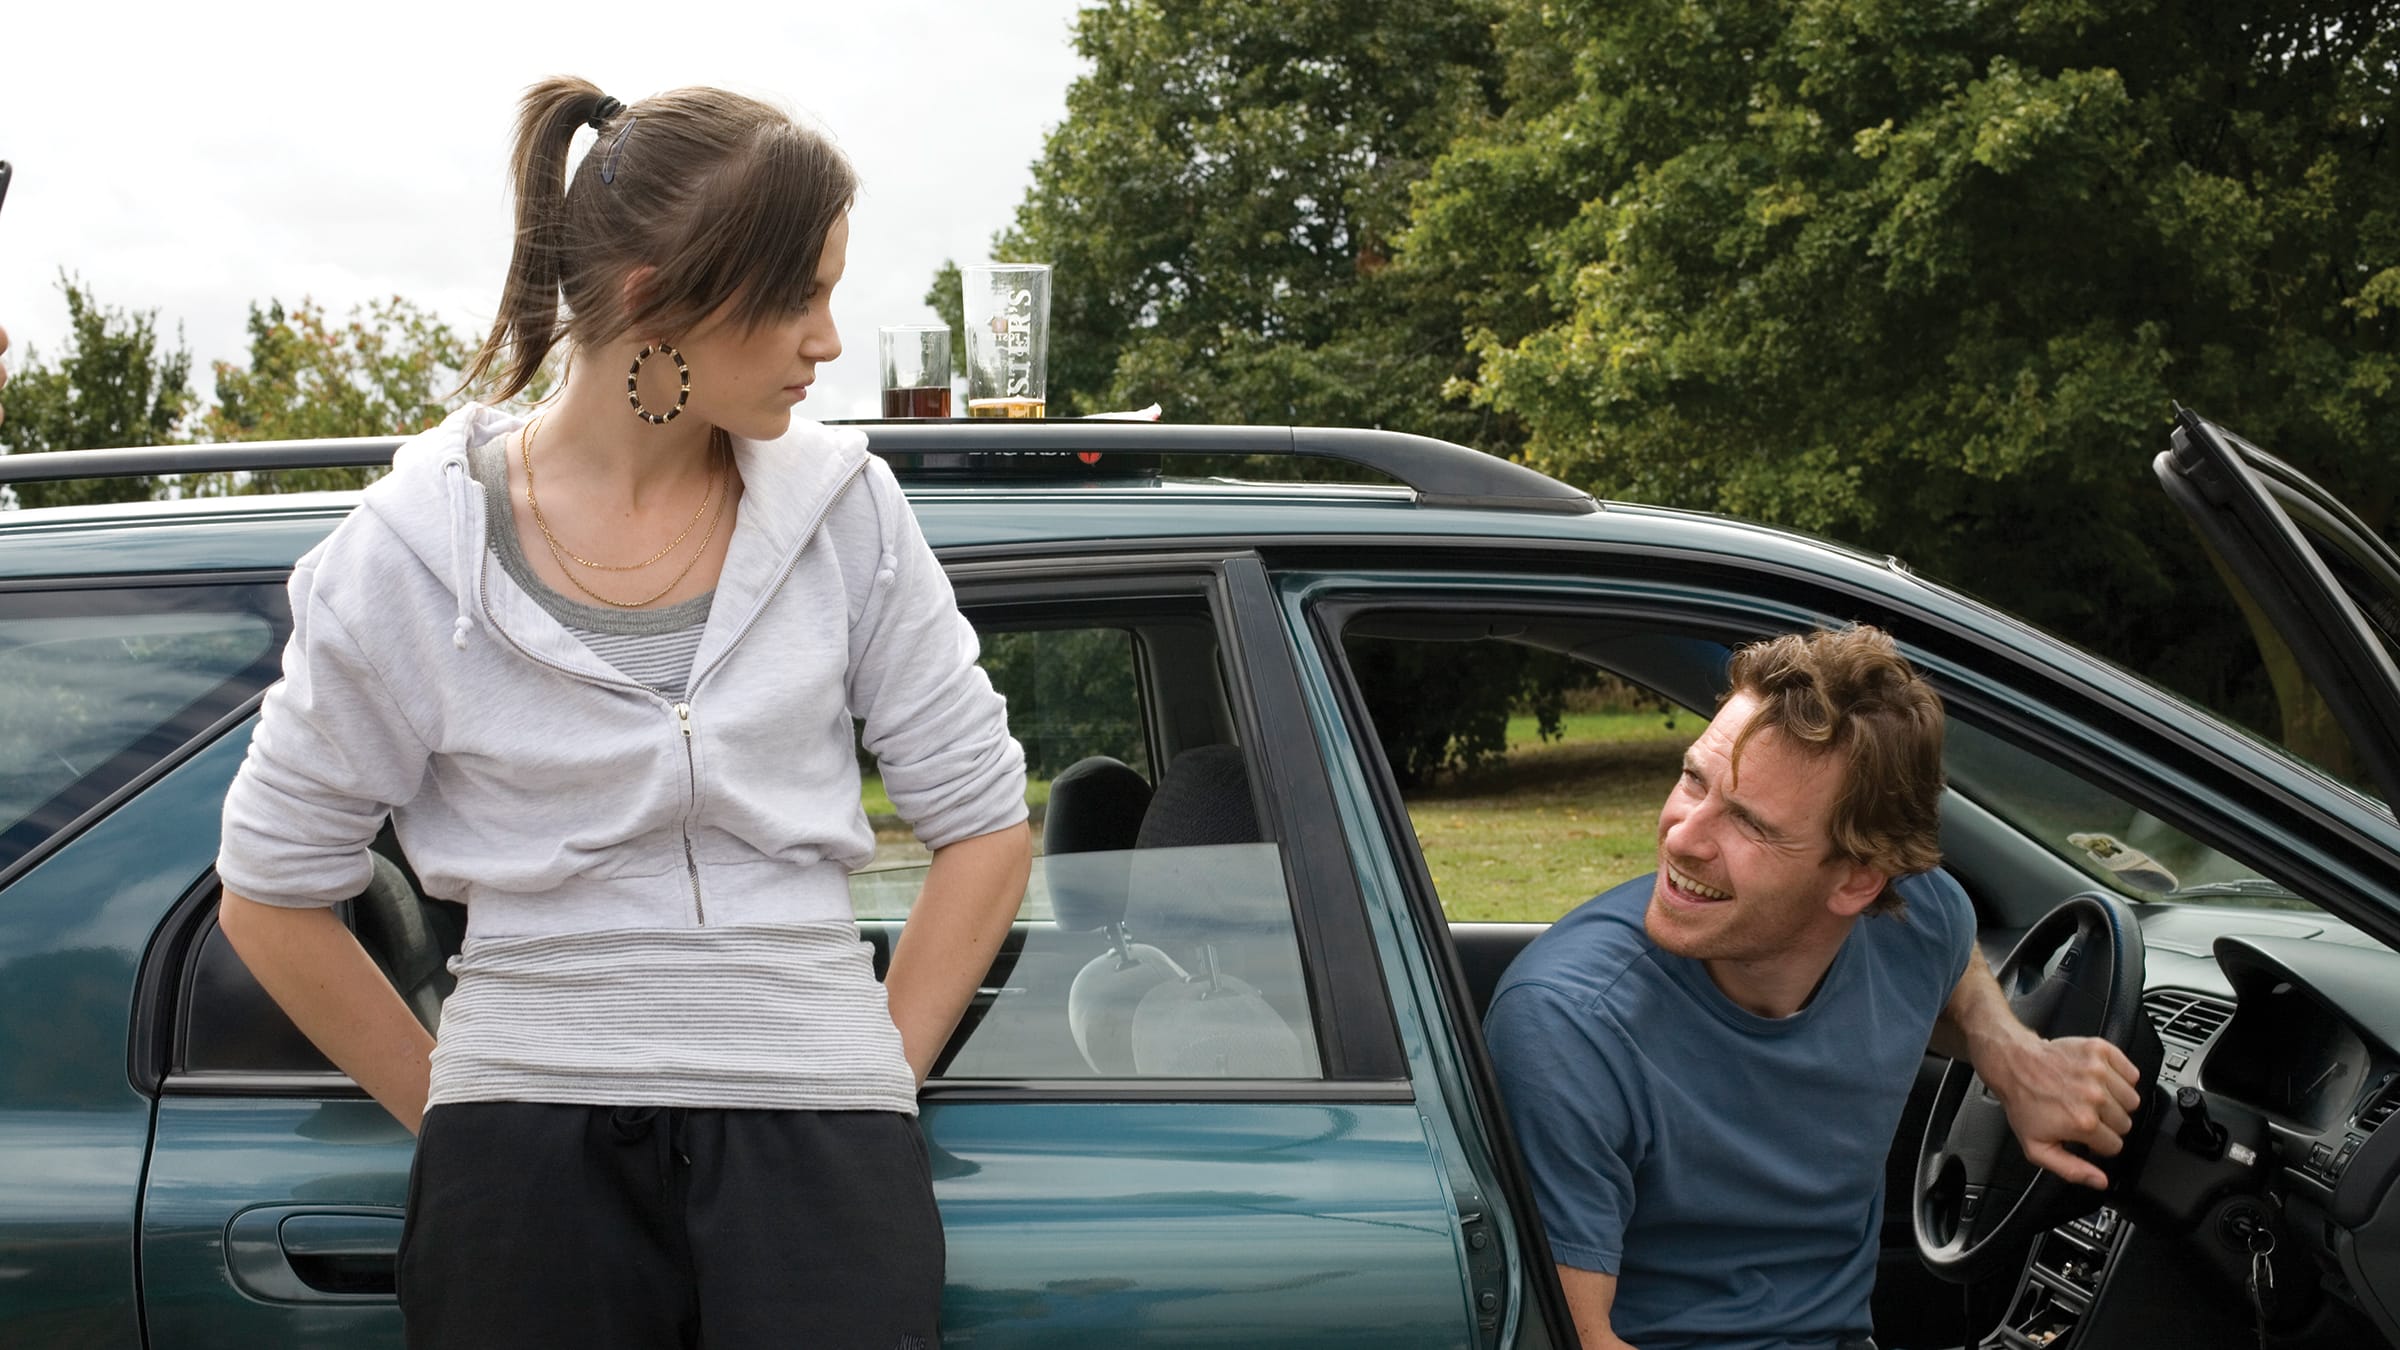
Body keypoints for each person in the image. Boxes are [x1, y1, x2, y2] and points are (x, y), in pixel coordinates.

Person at [214, 79, 1030, 1350]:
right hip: (523, 1171)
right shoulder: (405, 554)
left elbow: (982, 825)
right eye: (801, 296)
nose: (828, 340)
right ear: (659, 298)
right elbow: (269, 889)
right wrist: (464, 1111)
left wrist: (874, 1073)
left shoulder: (849, 513)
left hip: (821, 1148)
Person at [1486, 625, 2141, 1350]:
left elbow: (1951, 966)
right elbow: (1576, 1341)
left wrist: (2012, 1055)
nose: (1682, 837)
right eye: (1694, 779)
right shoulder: (1570, 1026)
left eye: (1748, 823)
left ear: (1859, 879)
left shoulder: (1918, 917)